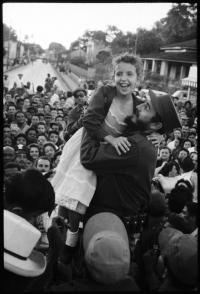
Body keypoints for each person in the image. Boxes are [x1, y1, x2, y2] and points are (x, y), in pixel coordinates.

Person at [51, 53, 162, 262]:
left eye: (129, 74)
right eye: (119, 73)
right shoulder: (104, 92)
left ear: (138, 78)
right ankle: (72, 236)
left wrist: (157, 136)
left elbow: (149, 128)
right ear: (113, 75)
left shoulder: (141, 103)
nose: (123, 78)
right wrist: (110, 139)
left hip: (112, 153)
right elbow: (90, 121)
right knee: (79, 191)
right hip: (90, 140)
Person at [80, 90, 181, 285]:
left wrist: (90, 123)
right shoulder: (141, 140)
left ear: (156, 124)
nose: (140, 105)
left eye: (148, 107)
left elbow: (88, 156)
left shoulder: (135, 146)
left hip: (107, 227)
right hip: (114, 223)